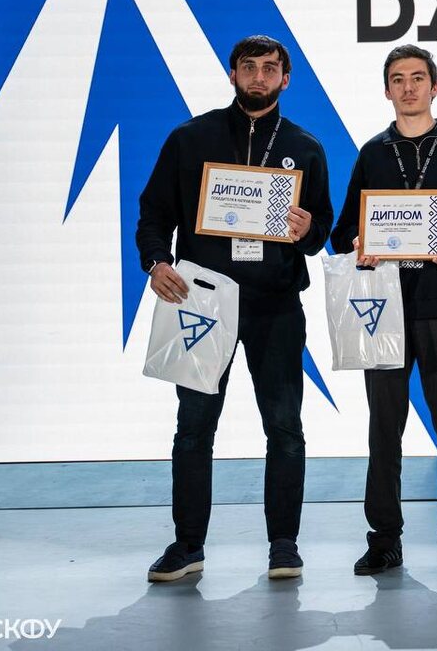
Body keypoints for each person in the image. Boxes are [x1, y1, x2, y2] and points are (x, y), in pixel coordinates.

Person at [136, 35, 333, 581]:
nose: (259, 77)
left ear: (285, 78)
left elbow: (323, 228)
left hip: (275, 305)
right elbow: (153, 212)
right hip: (202, 303)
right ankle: (187, 546)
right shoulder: (190, 138)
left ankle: (284, 545)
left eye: (270, 68)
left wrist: (308, 229)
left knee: (284, 427)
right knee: (194, 428)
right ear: (232, 74)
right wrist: (155, 262)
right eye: (249, 67)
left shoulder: (305, 147)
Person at [330, 44, 437, 575]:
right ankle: (384, 539)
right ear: (387, 90)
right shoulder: (372, 153)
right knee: (384, 427)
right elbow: (343, 231)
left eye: (418, 78)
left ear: (435, 87)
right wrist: (359, 243)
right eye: (398, 79)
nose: (408, 87)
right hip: (382, 309)